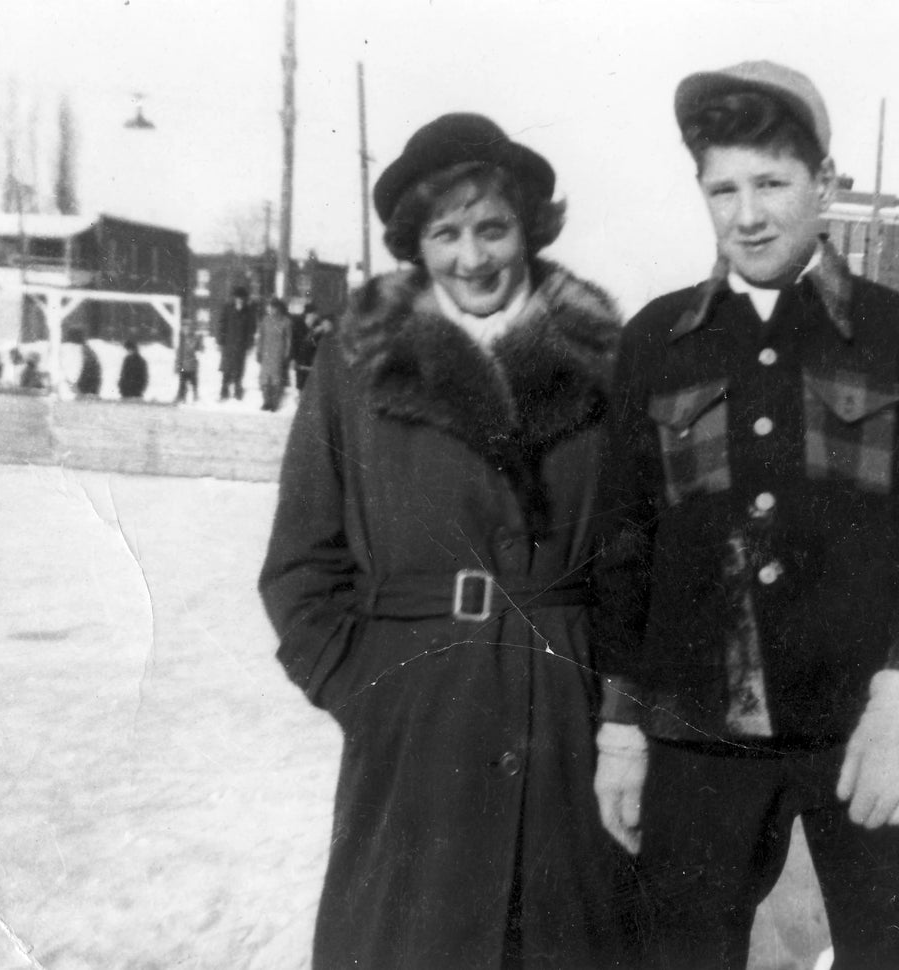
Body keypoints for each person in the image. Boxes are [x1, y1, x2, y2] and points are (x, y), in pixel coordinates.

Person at [590, 61, 899, 970]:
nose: (748, 213)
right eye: (722, 188)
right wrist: (621, 728)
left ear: (824, 185)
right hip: (699, 738)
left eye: (771, 183)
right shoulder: (658, 342)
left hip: (864, 731)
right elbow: (623, 551)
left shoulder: (898, 338)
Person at [259, 112, 640, 969]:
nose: (472, 258)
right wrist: (367, 691)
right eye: (446, 233)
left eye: (493, 228)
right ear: (415, 243)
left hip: (564, 727)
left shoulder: (607, 364)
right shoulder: (354, 364)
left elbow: (637, 564)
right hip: (416, 728)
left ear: (528, 230)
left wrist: (615, 717)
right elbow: (299, 564)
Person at [217, 285, 257, 400]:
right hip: (228, 344)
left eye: (242, 298)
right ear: (234, 298)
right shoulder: (227, 308)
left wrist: (250, 344)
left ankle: (237, 390)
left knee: (239, 369)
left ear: (245, 299)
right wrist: (220, 341)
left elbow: (251, 329)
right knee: (226, 368)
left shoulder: (248, 311)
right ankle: (224, 390)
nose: (239, 300)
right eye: (238, 298)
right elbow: (222, 324)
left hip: (241, 346)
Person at [255, 297, 292, 411]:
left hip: (278, 354)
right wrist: (258, 351)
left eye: (274, 307)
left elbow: (288, 339)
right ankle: (266, 402)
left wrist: (286, 353)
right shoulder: (265, 320)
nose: (272, 309)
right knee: (265, 379)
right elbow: (260, 337)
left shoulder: (286, 321)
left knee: (276, 379)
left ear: (279, 308)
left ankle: (274, 403)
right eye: (271, 307)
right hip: (266, 353)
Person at [175, 318, 203, 403]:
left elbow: (198, 349)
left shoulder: (194, 338)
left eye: (188, 328)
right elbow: (179, 354)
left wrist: (200, 341)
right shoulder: (182, 339)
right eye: (184, 328)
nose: (186, 330)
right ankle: (182, 397)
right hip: (183, 366)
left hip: (192, 366)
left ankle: (194, 397)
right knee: (183, 382)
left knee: (193, 382)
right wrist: (177, 365)